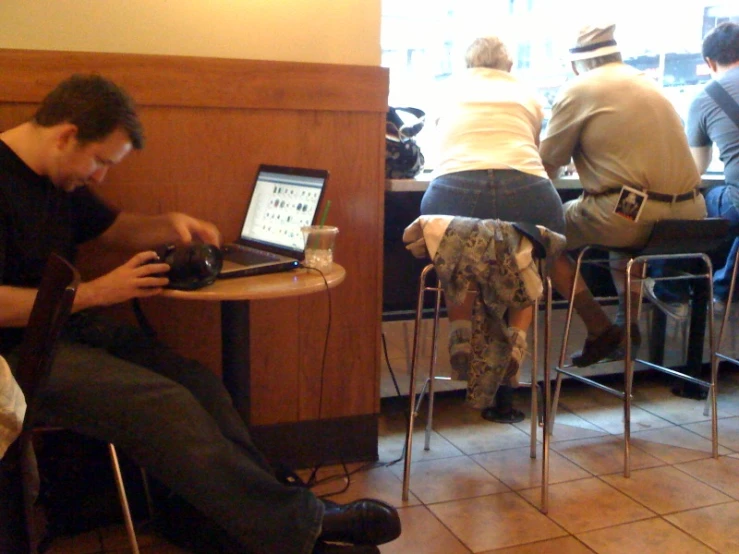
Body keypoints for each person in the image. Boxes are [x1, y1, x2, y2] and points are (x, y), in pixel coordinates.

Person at [0, 74, 400, 554]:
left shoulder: (58, 177)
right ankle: (300, 527)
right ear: (65, 135)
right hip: (17, 352)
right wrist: (93, 293)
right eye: (100, 161)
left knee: (200, 384)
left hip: (67, 328)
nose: (101, 175)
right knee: (160, 403)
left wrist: (168, 226)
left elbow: (111, 228)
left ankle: (249, 522)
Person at [540, 23, 707, 366]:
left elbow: (546, 164)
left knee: (538, 236)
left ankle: (600, 329)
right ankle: (626, 325)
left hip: (632, 211)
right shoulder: (649, 83)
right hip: (692, 215)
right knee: (625, 231)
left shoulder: (579, 88)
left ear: (576, 64)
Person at [419, 35, 565, 423]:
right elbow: (535, 150)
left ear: (467, 64)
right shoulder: (527, 93)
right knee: (531, 249)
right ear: (510, 67)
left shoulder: (446, 89)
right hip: (529, 191)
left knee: (455, 245)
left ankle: (462, 331)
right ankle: (516, 337)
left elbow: (442, 150)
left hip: (453, 190)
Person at [687, 22, 739, 314]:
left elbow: (694, 170)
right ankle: (723, 288)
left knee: (698, 204)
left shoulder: (706, 97)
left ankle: (673, 291)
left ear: (709, 62)